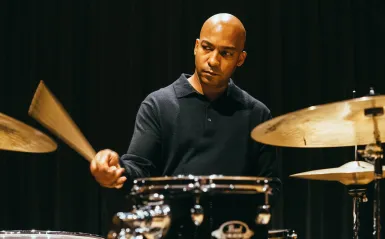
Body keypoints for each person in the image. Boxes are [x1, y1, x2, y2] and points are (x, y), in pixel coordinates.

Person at [90, 13, 280, 239]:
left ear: (240, 58)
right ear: (196, 47)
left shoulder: (257, 114)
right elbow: (140, 170)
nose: (213, 60)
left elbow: (271, 188)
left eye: (226, 53)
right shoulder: (159, 105)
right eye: (207, 48)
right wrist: (116, 169)